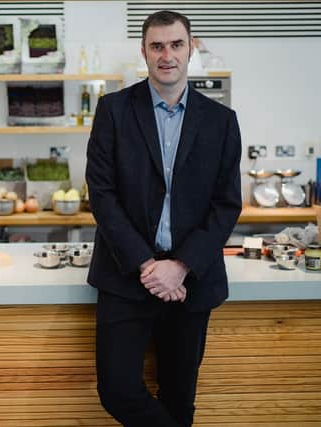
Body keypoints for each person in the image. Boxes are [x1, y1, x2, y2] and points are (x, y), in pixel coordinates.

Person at [85, 10, 241, 427]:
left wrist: (181, 265)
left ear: (191, 48)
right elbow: (102, 195)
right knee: (117, 391)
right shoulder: (113, 111)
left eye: (175, 44)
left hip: (193, 281)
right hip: (125, 275)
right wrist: (148, 265)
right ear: (144, 52)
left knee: (179, 397)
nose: (166, 55)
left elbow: (226, 204)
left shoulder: (221, 121)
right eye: (157, 46)